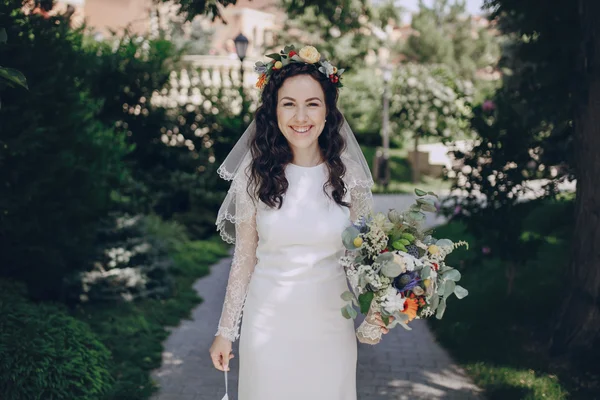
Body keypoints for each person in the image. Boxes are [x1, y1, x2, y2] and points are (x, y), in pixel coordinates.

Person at [209, 45, 392, 400]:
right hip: (267, 328)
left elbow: (362, 259)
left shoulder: (350, 176)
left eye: (312, 104)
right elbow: (244, 259)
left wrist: (377, 306)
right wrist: (225, 331)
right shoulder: (254, 175)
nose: (300, 116)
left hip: (330, 328)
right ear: (274, 111)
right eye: (288, 103)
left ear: (327, 112)